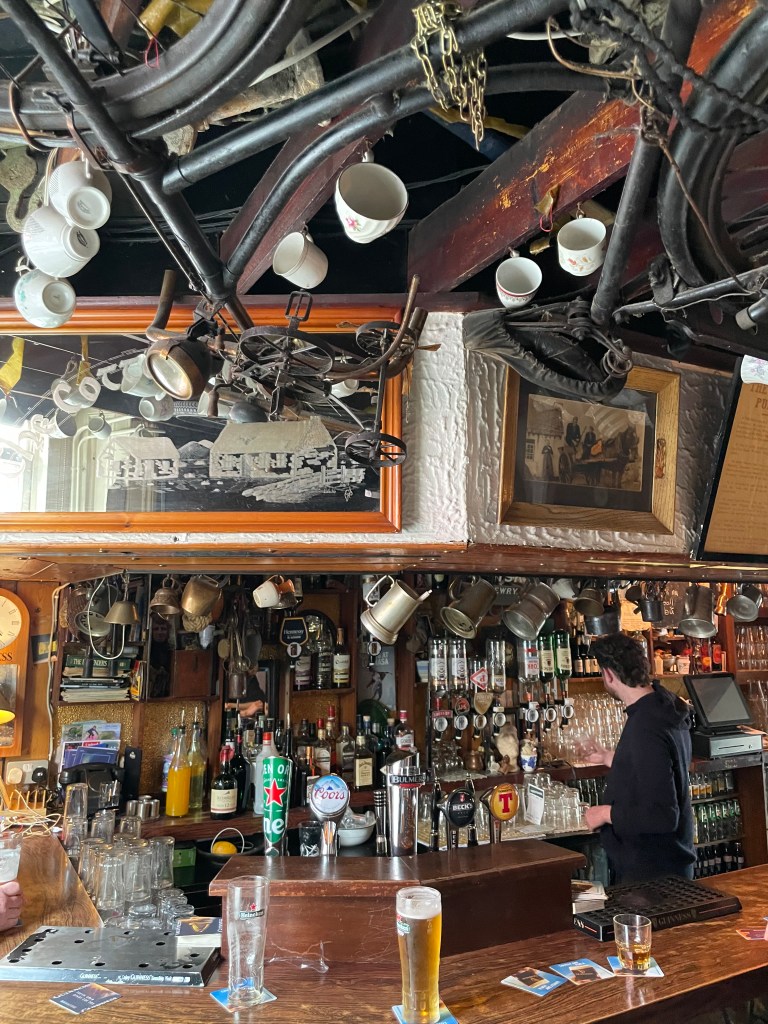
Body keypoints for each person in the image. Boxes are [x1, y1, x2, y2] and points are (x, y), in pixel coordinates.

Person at [578, 633, 696, 884]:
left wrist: (606, 814)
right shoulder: (665, 706)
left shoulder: (646, 725)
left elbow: (662, 816)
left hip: (653, 875)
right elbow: (661, 765)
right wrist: (612, 757)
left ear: (609, 674)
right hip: (670, 865)